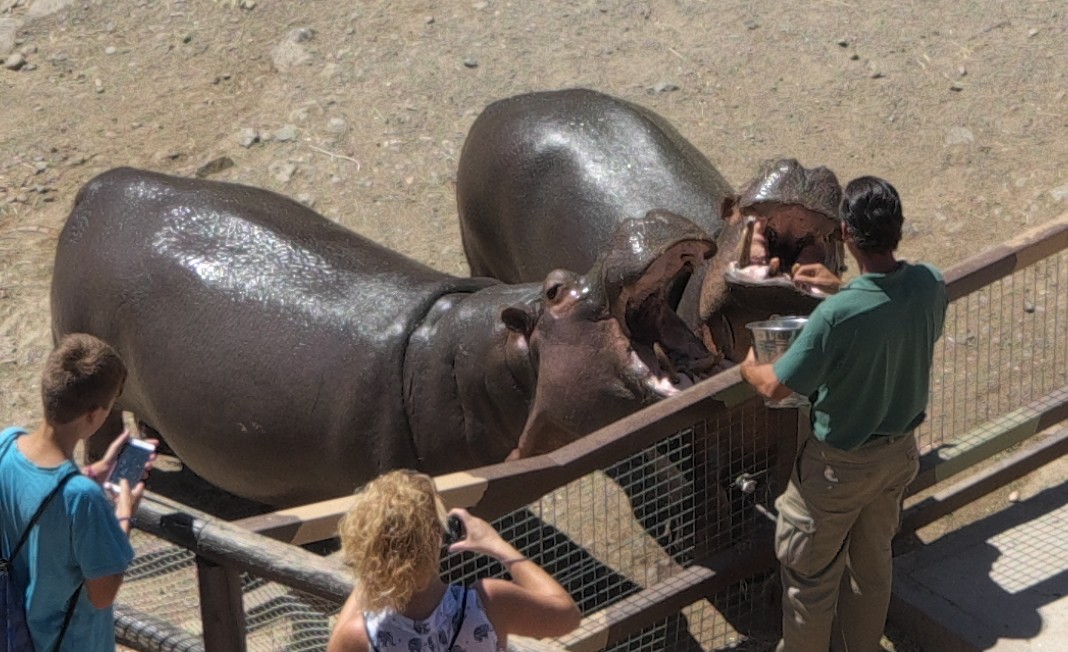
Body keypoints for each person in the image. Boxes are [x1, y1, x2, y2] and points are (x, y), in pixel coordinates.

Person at [739, 176, 948, 652]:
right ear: (897, 229)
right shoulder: (930, 283)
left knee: (810, 582)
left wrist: (749, 365)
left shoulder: (836, 317)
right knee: (872, 569)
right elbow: (889, 312)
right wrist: (844, 289)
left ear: (846, 236)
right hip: (897, 457)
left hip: (838, 470)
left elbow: (775, 387)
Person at [0, 333, 154, 652]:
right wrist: (124, 513)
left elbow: (37, 490)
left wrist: (95, 472)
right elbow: (102, 594)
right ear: (94, 415)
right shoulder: (83, 498)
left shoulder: (5, 445)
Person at [327, 469, 581, 652]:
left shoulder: (360, 637)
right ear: (439, 536)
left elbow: (336, 641)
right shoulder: (489, 602)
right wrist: (497, 545)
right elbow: (567, 616)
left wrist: (375, 562)